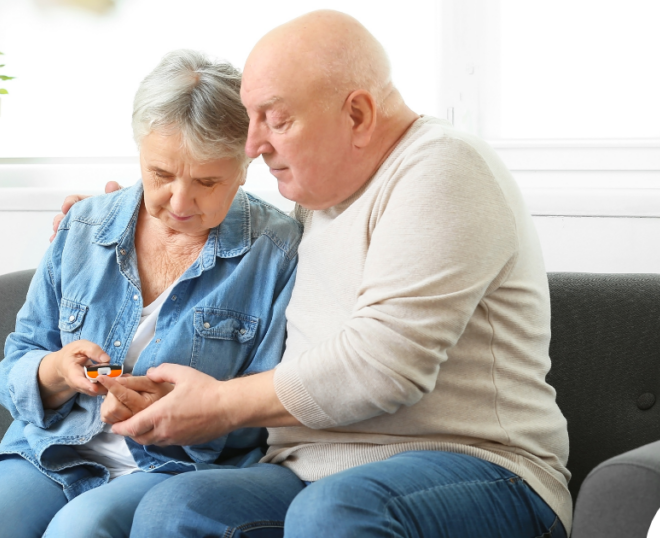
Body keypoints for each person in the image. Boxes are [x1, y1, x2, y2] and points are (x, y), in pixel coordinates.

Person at [58, 10, 572, 538]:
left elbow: (383, 367)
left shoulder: (443, 169)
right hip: (312, 467)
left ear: (357, 115)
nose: (254, 145)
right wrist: (125, 221)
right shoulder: (315, 201)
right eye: (250, 120)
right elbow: (223, 234)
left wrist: (219, 406)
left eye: (275, 120)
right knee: (176, 508)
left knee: (333, 511)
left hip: (480, 468)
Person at [0, 49, 301, 538]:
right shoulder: (84, 227)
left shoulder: (275, 252)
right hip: (54, 450)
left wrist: (173, 410)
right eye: (161, 174)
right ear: (139, 151)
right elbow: (16, 363)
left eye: (207, 181)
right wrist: (56, 372)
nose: (179, 202)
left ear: (244, 166)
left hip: (174, 468)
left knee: (79, 529)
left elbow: (266, 413)